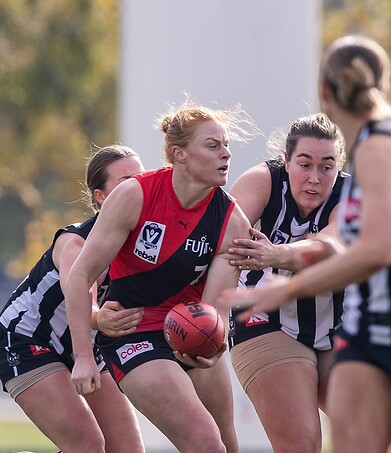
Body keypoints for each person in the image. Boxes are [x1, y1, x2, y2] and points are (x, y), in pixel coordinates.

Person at [221, 35, 391, 452]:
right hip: (374, 329)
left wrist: (289, 287)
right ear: (384, 86)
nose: (315, 176)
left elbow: (378, 250)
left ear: (324, 91)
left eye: (325, 166)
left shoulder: (378, 150)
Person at [65, 102, 257, 453]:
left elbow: (214, 309)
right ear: (178, 153)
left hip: (189, 330)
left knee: (227, 444)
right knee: (206, 443)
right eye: (212, 145)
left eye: (226, 145)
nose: (226, 154)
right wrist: (83, 357)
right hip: (134, 333)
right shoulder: (134, 195)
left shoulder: (232, 221)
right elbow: (79, 276)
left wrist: (214, 344)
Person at [0, 145, 145, 452]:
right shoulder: (75, 241)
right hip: (28, 340)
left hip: (87, 346)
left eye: (142, 180)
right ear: (101, 197)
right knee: (88, 444)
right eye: (126, 182)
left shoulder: (147, 244)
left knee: (128, 449)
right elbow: (80, 295)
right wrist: (97, 323)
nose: (138, 189)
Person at [226, 112, 348, 453]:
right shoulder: (261, 181)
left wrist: (275, 254)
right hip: (265, 320)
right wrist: (209, 312)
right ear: (286, 161)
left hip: (338, 326)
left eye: (327, 167)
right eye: (304, 164)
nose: (314, 178)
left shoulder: (354, 196)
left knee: (378, 433)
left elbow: (328, 247)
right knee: (302, 444)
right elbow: (225, 244)